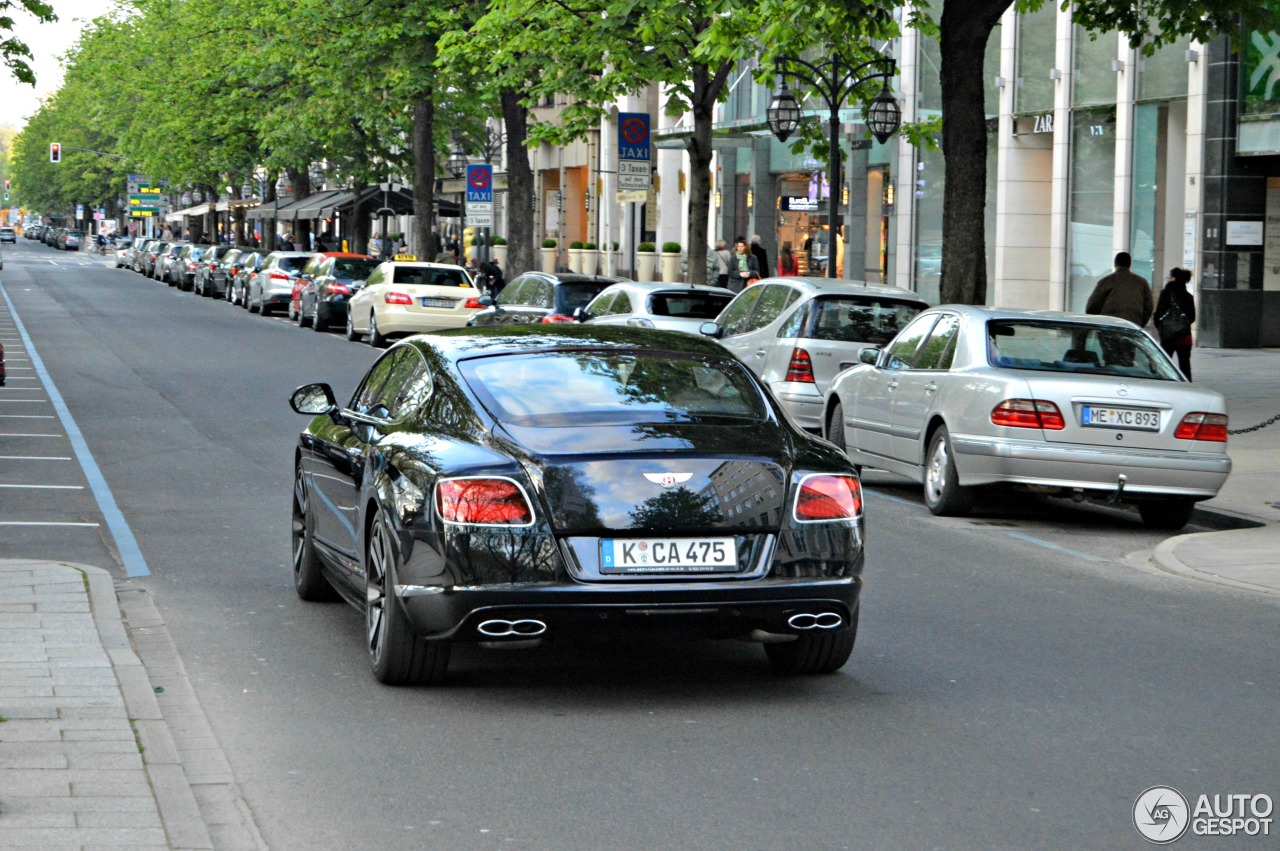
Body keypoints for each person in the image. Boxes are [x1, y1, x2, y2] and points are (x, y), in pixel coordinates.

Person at [1085, 251, 1153, 328]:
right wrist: (1139, 324)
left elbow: (1092, 305)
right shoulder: (1141, 283)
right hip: (1133, 326)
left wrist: (1098, 322)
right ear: (1130, 264)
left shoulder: (1106, 281)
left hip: (1109, 326)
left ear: (1115, 264)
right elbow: (1148, 307)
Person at [1154, 267, 1196, 379]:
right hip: (1185, 337)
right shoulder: (1189, 297)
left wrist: (1161, 328)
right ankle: (1187, 389)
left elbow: (1158, 314)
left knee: (1163, 366)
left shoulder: (1165, 294)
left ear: (1173, 278)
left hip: (1168, 336)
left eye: (1169, 277)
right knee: (1185, 367)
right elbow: (1192, 318)